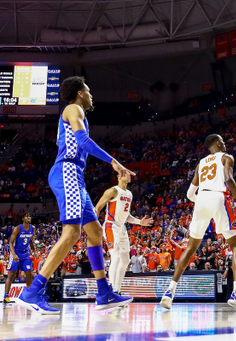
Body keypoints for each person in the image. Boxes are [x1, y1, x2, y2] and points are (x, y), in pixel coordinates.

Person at [17, 76, 134, 314]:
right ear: (80, 93)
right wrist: (114, 162)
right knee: (72, 232)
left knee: (95, 232)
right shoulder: (73, 108)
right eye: (88, 91)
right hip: (66, 170)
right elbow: (82, 140)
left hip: (75, 175)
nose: (92, 95)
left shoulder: (79, 113)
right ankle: (32, 292)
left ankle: (103, 293)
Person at [160, 134, 236, 311]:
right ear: (218, 143)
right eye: (223, 141)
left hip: (201, 199)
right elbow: (228, 179)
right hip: (218, 197)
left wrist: (203, 201)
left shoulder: (201, 163)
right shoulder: (226, 157)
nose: (225, 144)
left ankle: (169, 292)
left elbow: (189, 194)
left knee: (190, 248)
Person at [95, 172, 153, 294]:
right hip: (111, 225)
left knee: (125, 260)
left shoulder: (129, 194)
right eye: (126, 172)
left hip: (121, 227)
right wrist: (94, 225)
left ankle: (117, 290)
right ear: (119, 177)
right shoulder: (113, 191)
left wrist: (139, 222)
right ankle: (109, 289)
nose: (129, 174)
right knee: (115, 256)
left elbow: (127, 216)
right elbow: (98, 207)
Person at [4, 213, 35, 304]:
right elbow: (10, 242)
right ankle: (6, 296)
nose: (29, 218)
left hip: (25, 254)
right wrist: (13, 254)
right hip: (16, 252)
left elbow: (31, 240)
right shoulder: (18, 228)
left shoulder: (32, 228)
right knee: (12, 275)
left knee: (29, 274)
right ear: (22, 219)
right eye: (26, 216)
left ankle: (28, 296)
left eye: (30, 216)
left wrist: (34, 250)